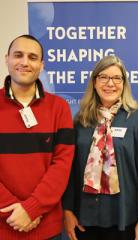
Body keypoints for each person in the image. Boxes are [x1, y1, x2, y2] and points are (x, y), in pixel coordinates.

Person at [62, 55, 138, 240]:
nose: (110, 83)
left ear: (124, 83)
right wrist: (67, 211)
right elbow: (69, 172)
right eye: (103, 77)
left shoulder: (137, 119)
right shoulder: (81, 121)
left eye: (117, 78)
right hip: (84, 220)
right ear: (94, 82)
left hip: (124, 219)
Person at [0, 34, 75, 239]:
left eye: (32, 57)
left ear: (41, 65)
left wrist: (32, 208)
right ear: (7, 59)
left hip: (47, 228)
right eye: (18, 55)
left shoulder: (59, 108)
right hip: (3, 226)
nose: (25, 62)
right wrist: (13, 210)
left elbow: (62, 165)